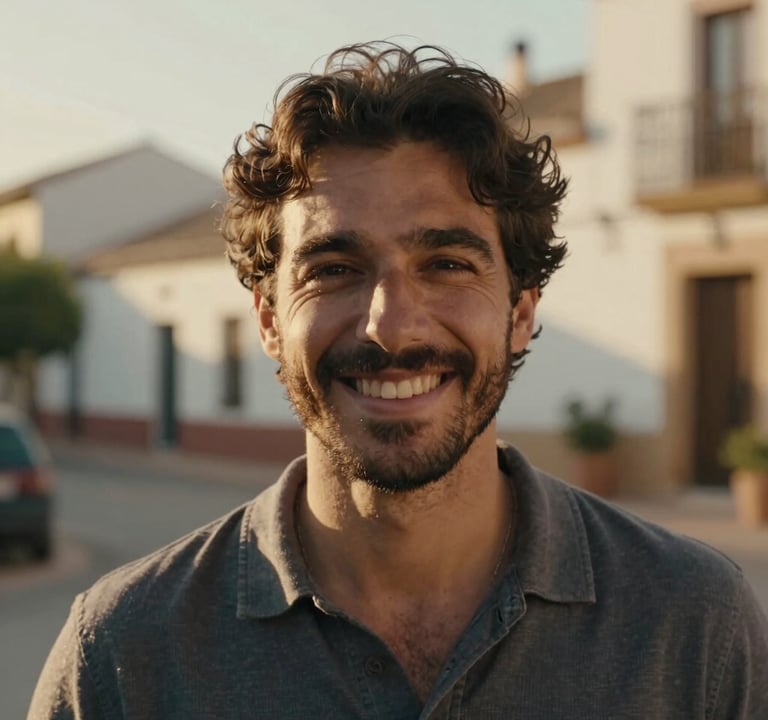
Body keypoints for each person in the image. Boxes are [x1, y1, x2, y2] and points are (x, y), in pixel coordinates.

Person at [29, 42, 768, 719]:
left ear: (519, 311)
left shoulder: (694, 625)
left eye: (446, 263)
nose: (391, 326)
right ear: (267, 318)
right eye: (334, 270)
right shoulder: (124, 654)